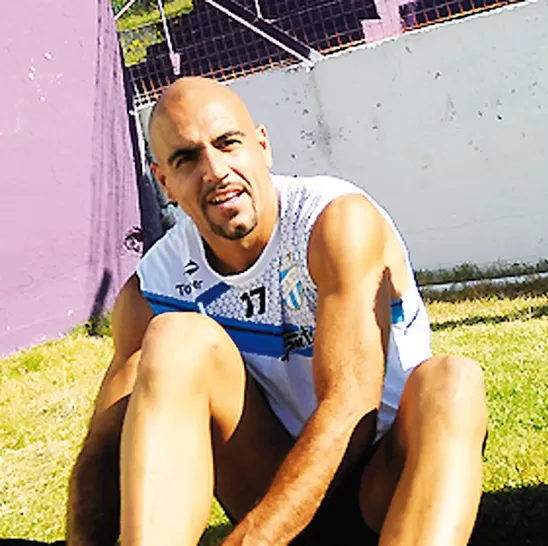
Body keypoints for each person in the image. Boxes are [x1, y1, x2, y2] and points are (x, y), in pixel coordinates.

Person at [66, 77, 488, 546]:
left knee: (453, 381)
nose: (215, 170)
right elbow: (102, 451)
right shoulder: (155, 286)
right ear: (162, 181)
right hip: (265, 480)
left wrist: (251, 541)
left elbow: (352, 408)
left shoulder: (332, 222)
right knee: (175, 340)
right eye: (186, 158)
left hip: (383, 486)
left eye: (228, 143)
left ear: (262, 145)